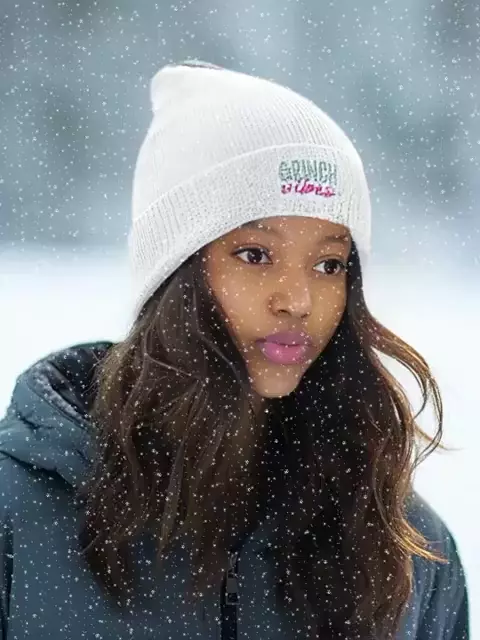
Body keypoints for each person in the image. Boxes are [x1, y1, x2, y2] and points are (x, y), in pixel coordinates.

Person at [0, 61, 469, 640]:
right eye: (255, 255)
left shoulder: (405, 548)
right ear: (173, 273)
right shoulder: (19, 512)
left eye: (329, 264)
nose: (298, 300)